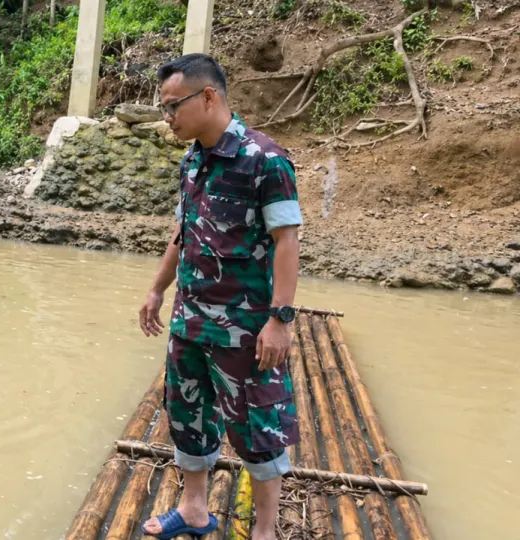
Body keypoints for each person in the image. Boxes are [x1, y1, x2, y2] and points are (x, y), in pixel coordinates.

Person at [137, 54, 303, 540]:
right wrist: (156, 289)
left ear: (208, 96)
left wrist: (281, 320)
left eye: (173, 107)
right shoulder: (193, 161)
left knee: (258, 425)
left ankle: (266, 530)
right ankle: (193, 509)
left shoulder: (265, 159)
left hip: (245, 329)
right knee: (187, 414)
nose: (167, 117)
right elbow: (182, 233)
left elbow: (287, 242)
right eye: (164, 108)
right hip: (190, 321)